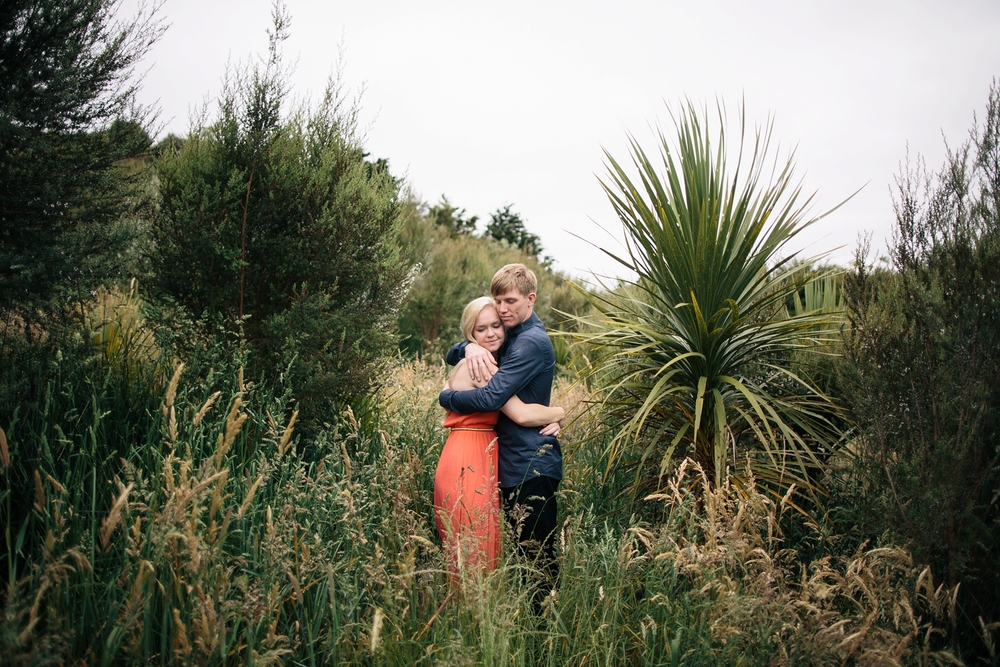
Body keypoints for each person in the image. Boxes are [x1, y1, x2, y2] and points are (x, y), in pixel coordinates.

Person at [439, 264, 563, 598]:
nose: (503, 310)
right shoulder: (510, 336)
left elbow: (496, 398)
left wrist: (445, 397)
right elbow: (460, 347)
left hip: (530, 464)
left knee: (538, 559)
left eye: (509, 301)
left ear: (530, 299)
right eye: (498, 301)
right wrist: (467, 347)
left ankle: (544, 640)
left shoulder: (529, 343)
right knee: (511, 553)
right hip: (504, 463)